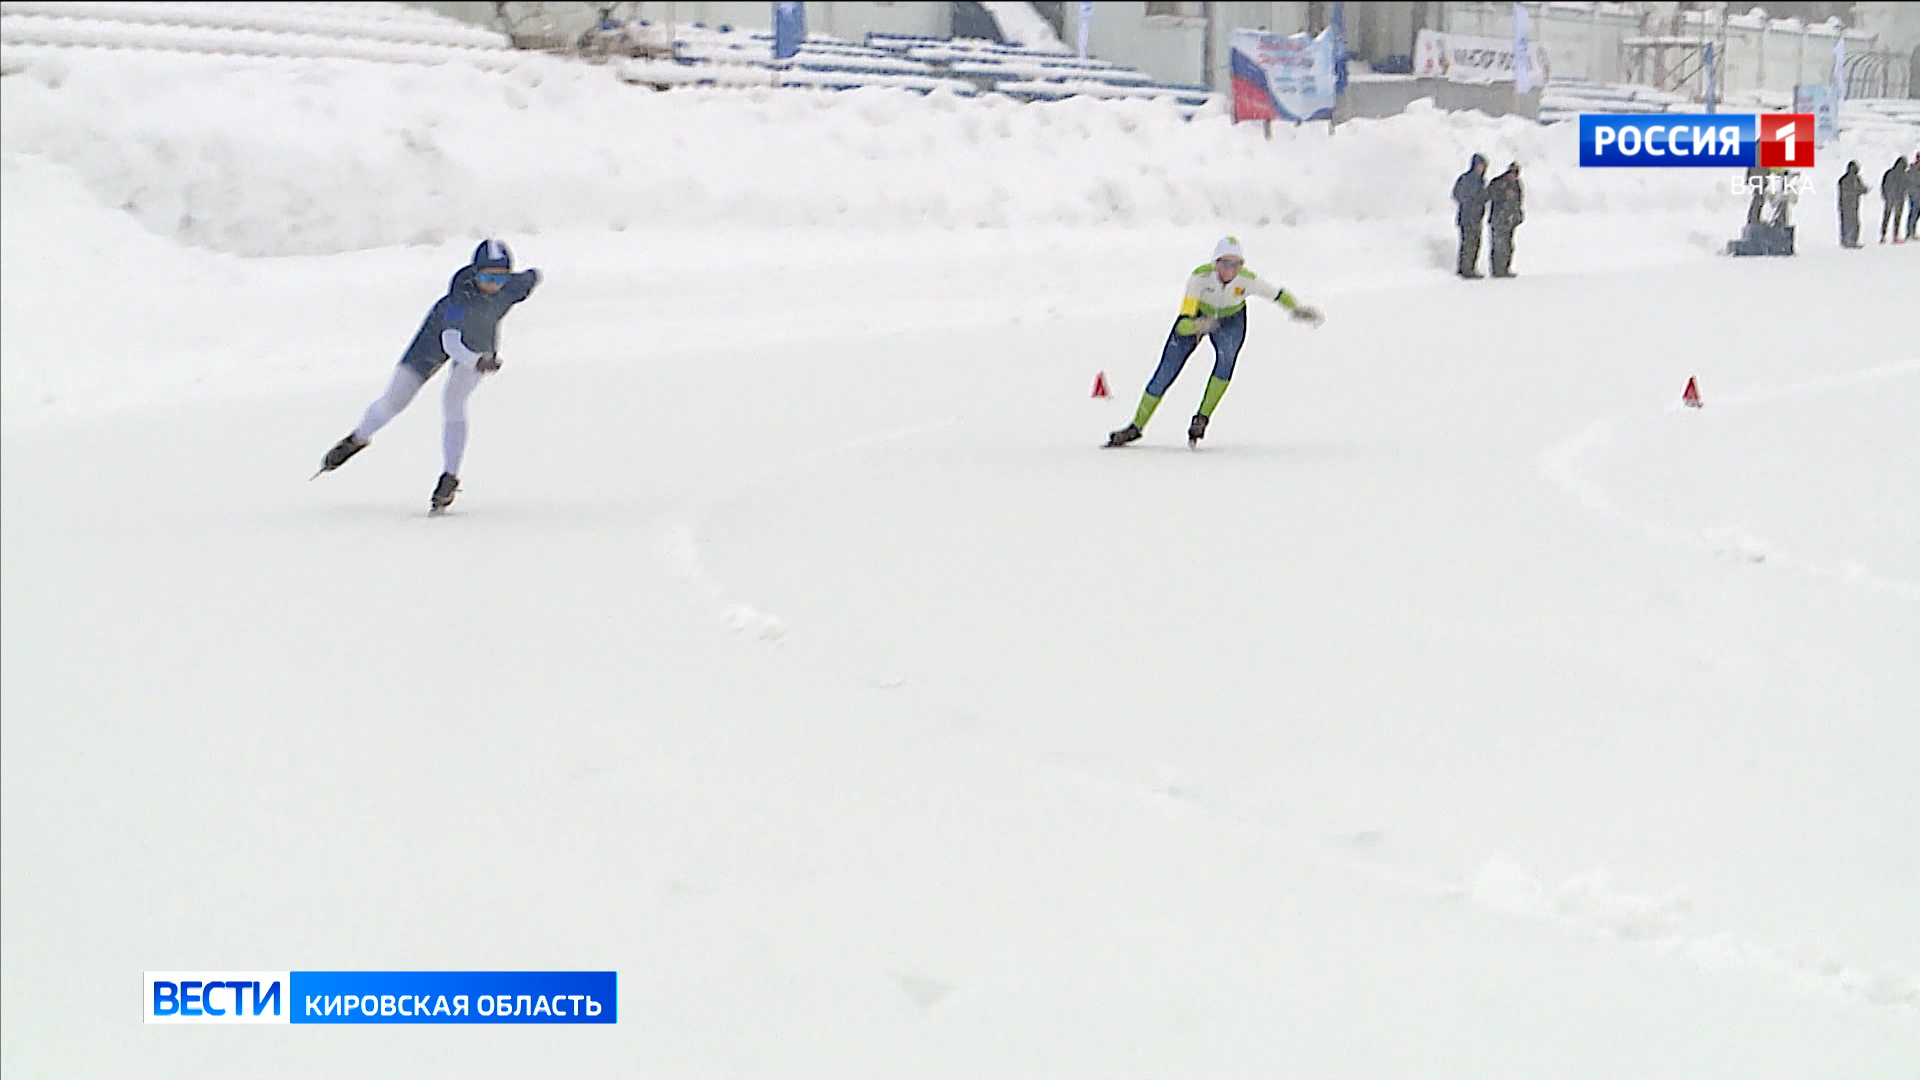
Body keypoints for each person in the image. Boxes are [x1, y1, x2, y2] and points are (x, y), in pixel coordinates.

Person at [315, 239, 541, 512]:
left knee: (454, 402)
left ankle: (449, 478)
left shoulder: (514, 287)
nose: (493, 285)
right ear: (474, 272)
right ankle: (357, 438)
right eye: (486, 277)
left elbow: (533, 276)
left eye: (500, 278)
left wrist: (536, 276)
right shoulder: (462, 293)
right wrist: (476, 361)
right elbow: (451, 343)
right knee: (395, 402)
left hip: (481, 340)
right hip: (436, 338)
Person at [1106, 237, 1323, 449]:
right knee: (1166, 370)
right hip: (1198, 317)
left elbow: (1276, 294)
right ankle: (1136, 426)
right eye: (1225, 263)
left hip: (1232, 320)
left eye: (1236, 264)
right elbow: (1183, 322)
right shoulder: (1199, 278)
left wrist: (1297, 308)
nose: (1230, 270)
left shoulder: (1247, 280)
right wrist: (1198, 325)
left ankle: (1202, 418)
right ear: (1215, 263)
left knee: (1226, 361)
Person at [1452, 154, 1490, 278]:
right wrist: (1470, 201)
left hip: (1477, 217)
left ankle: (1471, 267)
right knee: (1468, 243)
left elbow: (1483, 197)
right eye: (1479, 166)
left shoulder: (1481, 181)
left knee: (1476, 243)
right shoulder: (1465, 179)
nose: (1481, 169)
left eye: (1483, 166)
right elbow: (1457, 194)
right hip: (1467, 217)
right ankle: (1465, 269)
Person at [1487, 162, 1524, 278]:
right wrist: (1503, 194)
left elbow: (1518, 202)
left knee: (1508, 246)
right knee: (1498, 246)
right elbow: (1490, 195)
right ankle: (1497, 270)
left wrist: (1518, 215)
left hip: (1510, 221)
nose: (1513, 176)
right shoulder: (1498, 182)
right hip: (1498, 220)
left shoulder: (1517, 185)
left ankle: (1505, 268)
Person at [1838, 160, 1867, 249]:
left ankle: (1852, 240)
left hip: (1854, 205)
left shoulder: (1856, 179)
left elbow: (1861, 188)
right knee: (1848, 223)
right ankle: (1846, 241)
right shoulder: (1844, 180)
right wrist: (1857, 191)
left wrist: (1863, 190)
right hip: (1846, 205)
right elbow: (1846, 192)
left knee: (1855, 223)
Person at [1880, 156, 1908, 243]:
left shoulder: (1889, 172)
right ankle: (1895, 236)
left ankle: (1883, 236)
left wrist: (1885, 196)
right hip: (1899, 199)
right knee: (1897, 218)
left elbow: (1883, 185)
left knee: (1886, 217)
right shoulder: (1904, 175)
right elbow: (1906, 187)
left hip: (1889, 198)